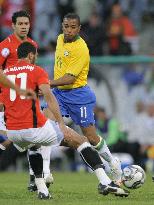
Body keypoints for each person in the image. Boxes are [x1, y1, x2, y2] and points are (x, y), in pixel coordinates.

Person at [0, 42, 129, 199]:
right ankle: (105, 181)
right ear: (31, 55)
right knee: (80, 141)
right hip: (32, 128)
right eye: (36, 56)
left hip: (13, 132)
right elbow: (50, 97)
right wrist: (61, 123)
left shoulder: (5, 74)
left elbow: (1, 105)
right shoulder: (36, 71)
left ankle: (42, 191)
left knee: (34, 146)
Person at [47, 13, 122, 183]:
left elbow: (70, 78)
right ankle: (45, 173)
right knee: (45, 125)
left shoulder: (81, 48)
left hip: (78, 95)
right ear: (62, 26)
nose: (69, 30)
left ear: (79, 29)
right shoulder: (59, 39)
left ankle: (112, 162)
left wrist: (47, 83)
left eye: (73, 27)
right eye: (66, 26)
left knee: (91, 137)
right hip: (59, 93)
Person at [0, 10, 53, 190]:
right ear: (13, 25)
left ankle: (34, 178)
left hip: (27, 99)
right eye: (20, 24)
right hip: (9, 100)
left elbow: (33, 72)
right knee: (13, 139)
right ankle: (39, 175)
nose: (24, 27)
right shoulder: (5, 46)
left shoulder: (32, 44)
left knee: (33, 136)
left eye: (26, 24)